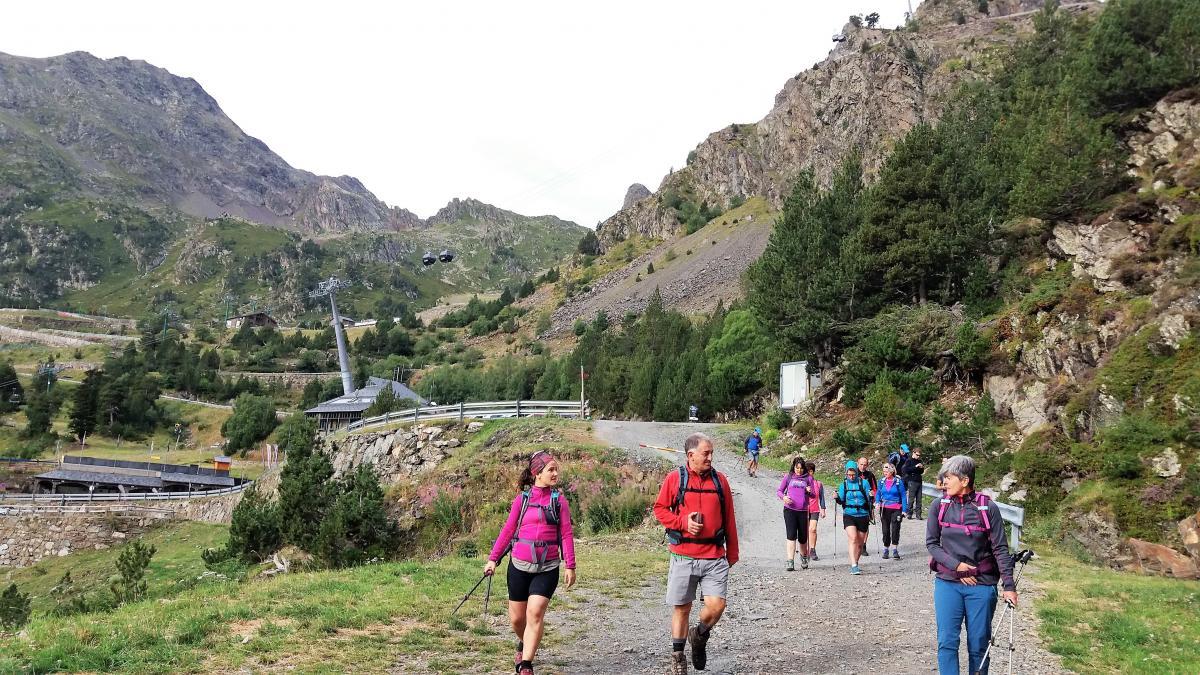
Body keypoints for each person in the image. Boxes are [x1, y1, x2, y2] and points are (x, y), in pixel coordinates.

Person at [653, 433, 740, 675]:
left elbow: (729, 518)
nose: (711, 457)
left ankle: (699, 635)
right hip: (684, 555)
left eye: (711, 453)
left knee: (717, 606)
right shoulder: (675, 479)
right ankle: (678, 657)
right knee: (682, 608)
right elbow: (660, 509)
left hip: (714, 555)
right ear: (691, 455)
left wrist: (732, 552)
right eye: (706, 453)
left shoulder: (720, 481)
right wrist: (682, 522)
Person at [485, 451, 577, 675]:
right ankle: (524, 641)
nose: (555, 473)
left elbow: (566, 534)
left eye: (556, 469)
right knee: (517, 619)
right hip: (518, 565)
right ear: (537, 473)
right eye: (551, 470)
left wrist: (570, 565)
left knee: (535, 613)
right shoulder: (522, 500)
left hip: (547, 567)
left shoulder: (559, 502)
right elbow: (508, 530)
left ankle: (525, 665)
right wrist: (492, 559)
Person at [927, 455, 1018, 675]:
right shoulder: (939, 505)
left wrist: (1008, 586)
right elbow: (932, 544)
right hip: (948, 583)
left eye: (949, 477)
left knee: (979, 644)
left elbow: (1000, 550)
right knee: (947, 642)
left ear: (965, 480)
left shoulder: (988, 509)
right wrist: (957, 567)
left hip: (981, 585)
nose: (944, 482)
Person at [776, 456, 815, 570]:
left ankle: (803, 556)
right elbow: (779, 491)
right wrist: (784, 497)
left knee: (803, 538)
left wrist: (809, 491)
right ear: (793, 467)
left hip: (803, 511)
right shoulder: (788, 477)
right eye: (797, 468)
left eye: (801, 468)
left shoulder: (808, 478)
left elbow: (813, 495)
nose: (799, 470)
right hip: (790, 510)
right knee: (791, 535)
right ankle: (790, 561)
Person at [835, 460, 872, 575]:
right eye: (849, 475)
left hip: (863, 514)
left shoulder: (864, 483)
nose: (851, 477)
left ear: (856, 472)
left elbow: (869, 498)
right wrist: (836, 497)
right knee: (853, 538)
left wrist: (871, 496)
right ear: (846, 474)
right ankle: (854, 565)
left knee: (860, 544)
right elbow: (841, 501)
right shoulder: (843, 485)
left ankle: (855, 562)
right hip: (849, 514)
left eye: (853, 474)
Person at [875, 462, 908, 560]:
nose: (885, 473)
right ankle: (886, 549)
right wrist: (877, 502)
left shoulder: (898, 482)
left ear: (892, 471)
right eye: (884, 471)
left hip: (896, 508)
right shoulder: (881, 481)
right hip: (884, 508)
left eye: (887, 471)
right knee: (885, 530)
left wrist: (904, 510)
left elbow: (903, 495)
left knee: (895, 529)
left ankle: (895, 549)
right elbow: (878, 493)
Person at [805, 461, 826, 561]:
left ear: (813, 472)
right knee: (804, 530)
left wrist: (823, 509)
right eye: (807, 471)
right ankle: (804, 549)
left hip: (814, 510)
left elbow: (821, 497)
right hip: (803, 509)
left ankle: (812, 549)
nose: (809, 473)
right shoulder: (801, 483)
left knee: (812, 529)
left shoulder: (818, 484)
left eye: (811, 471)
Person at [857, 456, 878, 557]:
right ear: (858, 464)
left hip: (868, 504)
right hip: (855, 503)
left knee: (866, 525)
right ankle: (857, 543)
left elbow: (875, 489)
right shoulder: (853, 473)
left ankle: (863, 545)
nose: (863, 466)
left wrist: (874, 500)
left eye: (865, 465)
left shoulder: (870, 475)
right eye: (861, 464)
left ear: (867, 465)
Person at [903, 446, 927, 519]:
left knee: (919, 499)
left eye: (919, 455)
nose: (918, 456)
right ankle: (909, 513)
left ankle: (918, 514)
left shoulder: (919, 461)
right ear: (913, 453)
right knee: (911, 498)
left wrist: (921, 468)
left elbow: (921, 471)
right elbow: (906, 470)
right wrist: (916, 466)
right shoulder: (909, 460)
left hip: (919, 480)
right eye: (917, 455)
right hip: (912, 481)